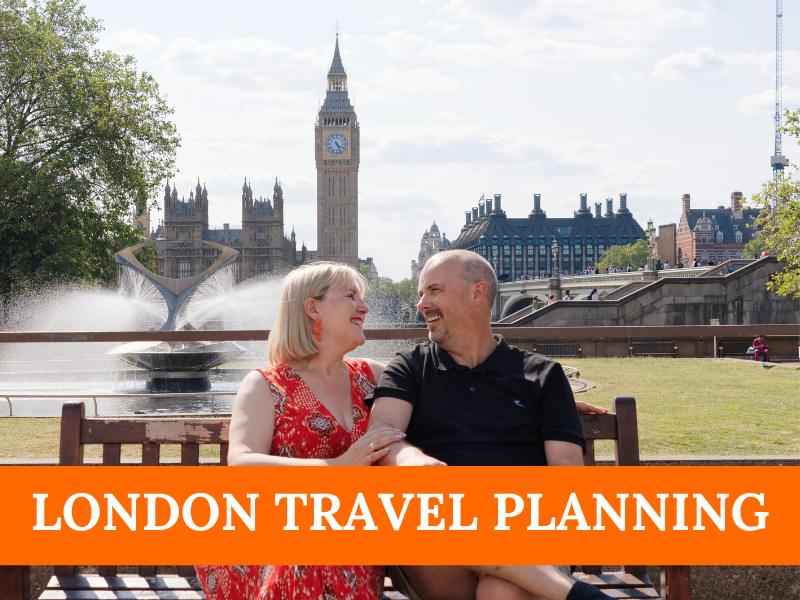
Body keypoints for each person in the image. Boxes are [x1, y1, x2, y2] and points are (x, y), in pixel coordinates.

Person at [368, 250, 612, 600]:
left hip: (528, 532)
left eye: (434, 291)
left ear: (477, 293)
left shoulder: (542, 375)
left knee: (500, 589)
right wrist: (411, 459)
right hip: (436, 542)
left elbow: (567, 475)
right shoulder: (408, 368)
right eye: (421, 294)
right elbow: (382, 436)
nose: (422, 304)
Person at [195, 262, 403, 600]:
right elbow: (243, 463)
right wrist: (338, 467)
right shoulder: (266, 385)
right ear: (312, 308)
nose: (364, 307)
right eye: (351, 296)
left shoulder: (375, 378)